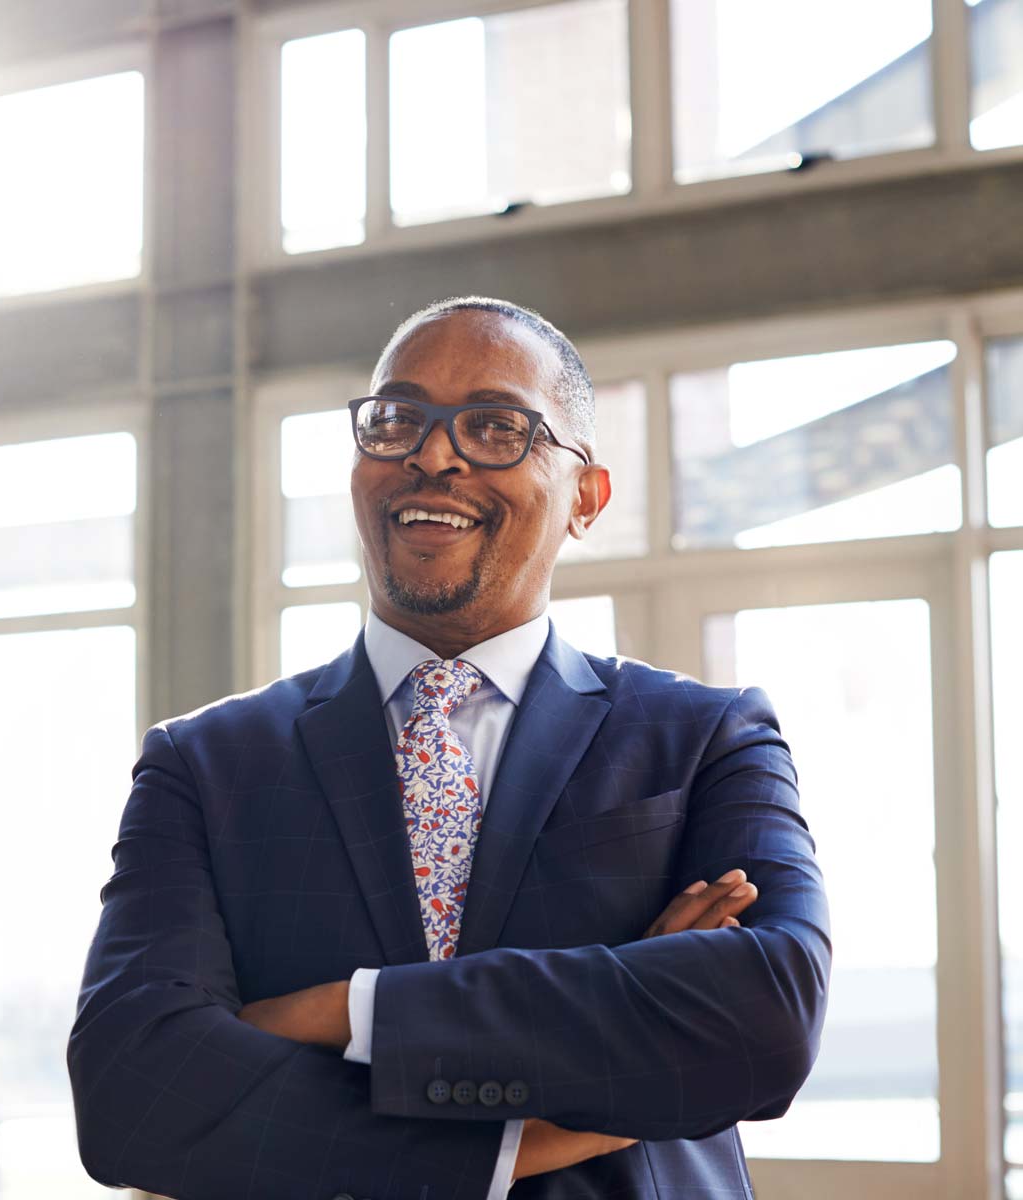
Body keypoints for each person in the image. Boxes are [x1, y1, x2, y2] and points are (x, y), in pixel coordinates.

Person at [68, 298, 830, 1199]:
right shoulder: (206, 764)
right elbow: (131, 1093)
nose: (432, 454)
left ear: (586, 497)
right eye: (396, 420)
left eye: (497, 426)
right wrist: (533, 1129)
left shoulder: (705, 737)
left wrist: (346, 1012)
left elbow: (766, 1022)